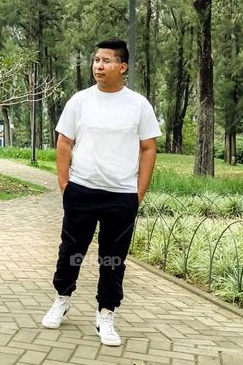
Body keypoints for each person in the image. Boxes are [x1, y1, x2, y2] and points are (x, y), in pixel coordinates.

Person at [40, 39, 160, 346]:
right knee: (71, 251)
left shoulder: (139, 105)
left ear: (122, 67)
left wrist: (138, 193)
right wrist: (65, 186)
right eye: (96, 60)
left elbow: (148, 148)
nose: (98, 66)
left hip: (121, 196)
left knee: (113, 258)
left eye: (106, 61)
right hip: (81, 191)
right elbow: (64, 143)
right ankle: (62, 299)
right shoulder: (79, 101)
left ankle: (106, 314)